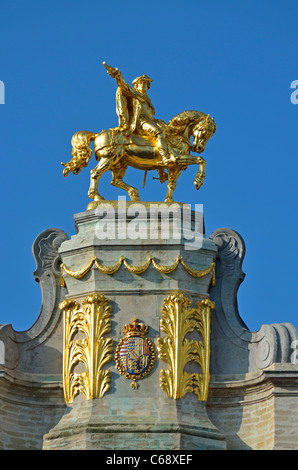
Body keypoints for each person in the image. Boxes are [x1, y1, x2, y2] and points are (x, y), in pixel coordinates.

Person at [103, 62, 175, 165]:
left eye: (145, 83)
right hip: (140, 122)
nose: (143, 85)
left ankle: (161, 171)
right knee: (159, 132)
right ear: (136, 86)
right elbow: (123, 86)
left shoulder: (148, 100)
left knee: (168, 134)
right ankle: (164, 158)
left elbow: (151, 116)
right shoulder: (135, 94)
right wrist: (118, 76)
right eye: (141, 83)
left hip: (149, 121)